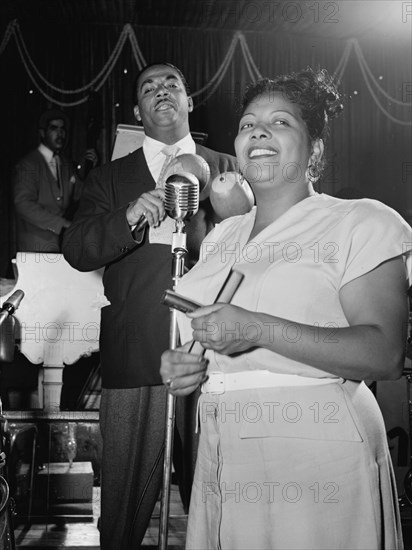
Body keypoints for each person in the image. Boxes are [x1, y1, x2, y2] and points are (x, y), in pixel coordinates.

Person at [160, 68, 412, 549]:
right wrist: (186, 367)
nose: (257, 131)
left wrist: (258, 329)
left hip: (318, 450)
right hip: (222, 447)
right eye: (248, 123)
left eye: (280, 122)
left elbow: (383, 354)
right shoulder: (221, 237)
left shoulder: (359, 221)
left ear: (314, 151)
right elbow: (206, 338)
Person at [62, 62, 238, 549]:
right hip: (136, 351)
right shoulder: (110, 178)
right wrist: (129, 217)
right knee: (123, 507)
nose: (161, 91)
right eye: (148, 87)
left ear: (189, 101)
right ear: (137, 110)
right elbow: (77, 249)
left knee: (218, 497)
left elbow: (263, 250)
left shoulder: (226, 166)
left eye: (172, 84)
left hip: (216, 355)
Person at [13, 108, 98, 253]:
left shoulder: (66, 164)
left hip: (61, 248)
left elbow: (82, 194)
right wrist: (61, 224)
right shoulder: (28, 164)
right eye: (54, 128)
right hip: (35, 249)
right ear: (42, 133)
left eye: (62, 129)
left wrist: (94, 168)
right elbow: (23, 204)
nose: (60, 134)